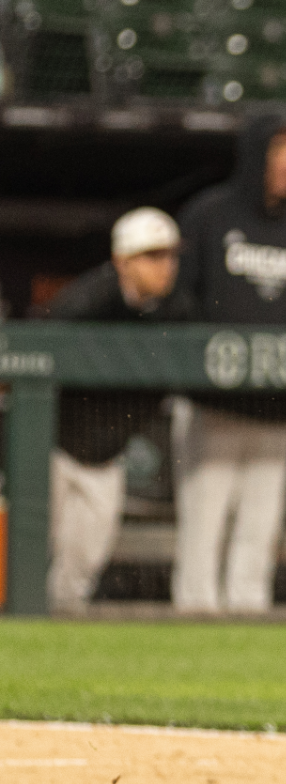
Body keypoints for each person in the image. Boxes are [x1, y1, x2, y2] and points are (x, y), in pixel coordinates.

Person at [172, 108, 286, 613]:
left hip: (276, 405)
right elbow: (179, 301)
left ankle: (249, 614)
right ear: (254, 154)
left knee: (261, 524)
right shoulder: (209, 215)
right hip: (213, 402)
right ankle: (194, 615)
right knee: (204, 521)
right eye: (279, 150)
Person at [40, 208, 191, 611]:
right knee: (28, 558)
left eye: (171, 256)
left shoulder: (176, 313)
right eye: (153, 256)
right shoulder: (84, 302)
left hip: (106, 455)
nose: (166, 267)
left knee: (82, 567)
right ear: (123, 261)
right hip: (52, 448)